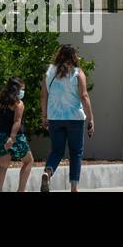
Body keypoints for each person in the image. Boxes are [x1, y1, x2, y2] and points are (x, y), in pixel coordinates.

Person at [39, 44, 94, 193]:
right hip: (75, 118)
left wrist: (44, 116)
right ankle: (74, 188)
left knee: (56, 150)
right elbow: (84, 96)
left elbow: (43, 95)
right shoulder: (77, 73)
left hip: (55, 118)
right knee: (76, 152)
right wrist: (90, 118)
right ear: (74, 57)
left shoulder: (50, 71)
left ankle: (47, 173)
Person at [0, 76, 35, 192]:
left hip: (1, 136)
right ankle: (21, 190)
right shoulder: (18, 104)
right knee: (28, 161)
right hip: (16, 137)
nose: (23, 92)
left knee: (3, 165)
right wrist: (12, 137)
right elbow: (17, 121)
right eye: (22, 89)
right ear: (17, 89)